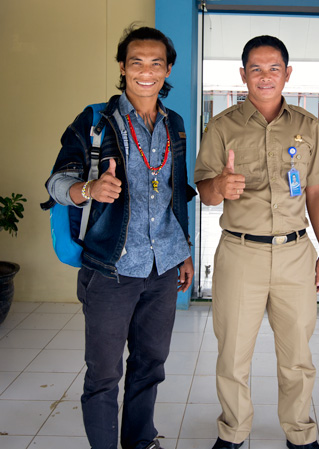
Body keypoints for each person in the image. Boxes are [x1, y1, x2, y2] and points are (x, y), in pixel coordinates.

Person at [42, 26, 195, 449]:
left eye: (156, 63)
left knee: (151, 365)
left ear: (167, 69)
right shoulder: (96, 121)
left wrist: (183, 252)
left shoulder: (175, 124)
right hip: (111, 268)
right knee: (104, 373)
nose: (146, 71)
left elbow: (174, 194)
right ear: (122, 68)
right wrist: (86, 190)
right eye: (136, 62)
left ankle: (141, 440)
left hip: (163, 268)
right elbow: (57, 181)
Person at [194, 35, 319, 449]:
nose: (265, 76)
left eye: (274, 68)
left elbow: (316, 193)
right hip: (240, 253)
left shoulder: (307, 126)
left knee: (297, 355)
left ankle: (300, 433)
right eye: (256, 68)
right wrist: (219, 184)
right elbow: (204, 191)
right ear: (243, 75)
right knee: (233, 353)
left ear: (287, 74)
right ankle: (233, 431)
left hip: (295, 254)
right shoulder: (222, 126)